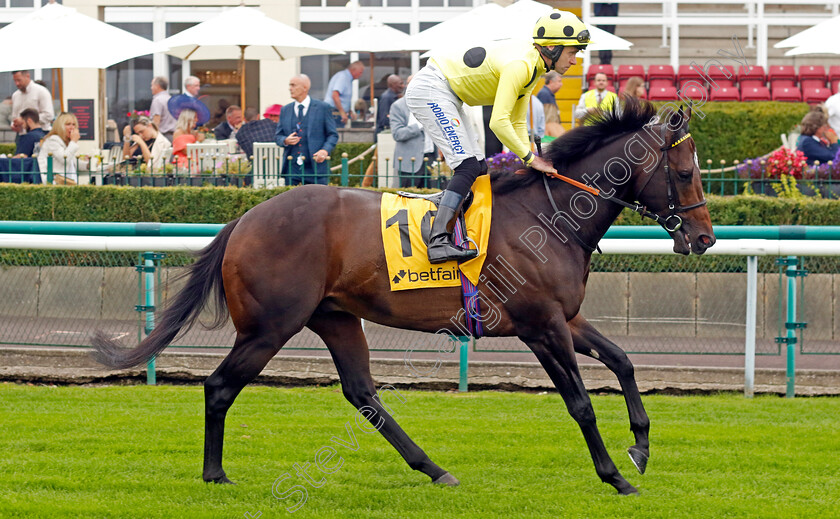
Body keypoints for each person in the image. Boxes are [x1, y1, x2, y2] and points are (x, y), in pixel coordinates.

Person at [405, 9, 589, 263]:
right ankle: (438, 240)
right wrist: (530, 159)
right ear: (554, 48)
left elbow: (516, 121)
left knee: (479, 168)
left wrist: (534, 156)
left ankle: (465, 231)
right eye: (572, 53)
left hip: (451, 94)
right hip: (432, 89)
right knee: (468, 165)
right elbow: (499, 123)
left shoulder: (534, 68)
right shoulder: (522, 65)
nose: (574, 61)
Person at [276, 74, 338, 186]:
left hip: (315, 167)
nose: (290, 88)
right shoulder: (285, 110)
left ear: (305, 87)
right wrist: (285, 140)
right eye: (290, 85)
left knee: (318, 201)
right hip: (292, 167)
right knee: (292, 202)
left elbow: (333, 135)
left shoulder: (323, 108)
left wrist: (324, 150)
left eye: (293, 85)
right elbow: (278, 136)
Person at [390, 75, 436, 188]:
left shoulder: (432, 104)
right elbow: (397, 134)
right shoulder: (398, 106)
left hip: (431, 159)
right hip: (409, 162)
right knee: (409, 200)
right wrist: (419, 125)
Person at [37, 112, 80, 184]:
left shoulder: (67, 142)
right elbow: (65, 159)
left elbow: (72, 163)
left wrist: (88, 165)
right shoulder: (53, 140)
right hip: (51, 182)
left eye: (74, 124)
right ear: (60, 126)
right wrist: (73, 141)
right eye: (68, 124)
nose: (72, 127)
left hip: (64, 182)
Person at [324, 60, 365, 128]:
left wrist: (349, 111)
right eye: (360, 72)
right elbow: (335, 95)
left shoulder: (348, 79)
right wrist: (342, 112)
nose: (361, 75)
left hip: (338, 113)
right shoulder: (343, 77)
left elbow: (343, 98)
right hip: (334, 113)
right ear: (353, 70)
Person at [149, 76, 176, 143]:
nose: (151, 88)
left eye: (152, 85)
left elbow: (156, 121)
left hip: (163, 137)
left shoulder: (158, 100)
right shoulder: (171, 99)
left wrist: (153, 138)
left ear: (157, 86)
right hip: (174, 136)